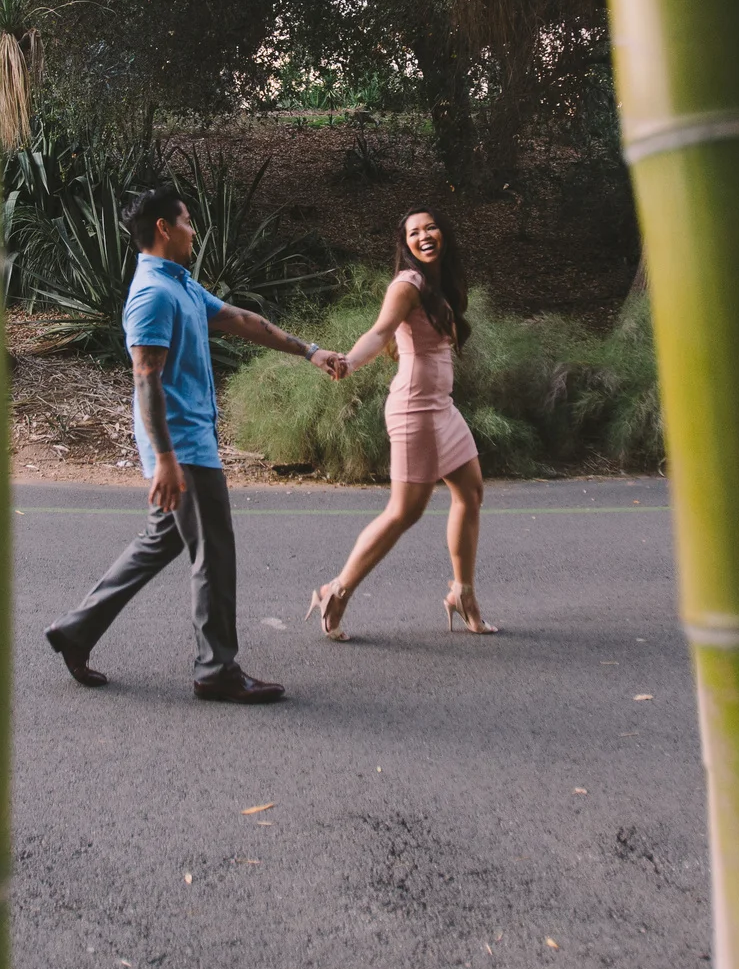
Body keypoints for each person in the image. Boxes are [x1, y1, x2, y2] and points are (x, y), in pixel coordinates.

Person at [45, 185, 349, 702]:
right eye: (186, 221)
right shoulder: (151, 294)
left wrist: (309, 351)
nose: (194, 230)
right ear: (163, 228)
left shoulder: (179, 284)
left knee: (160, 541)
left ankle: (77, 630)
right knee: (214, 550)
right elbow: (146, 380)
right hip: (182, 445)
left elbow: (240, 319)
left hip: (186, 442)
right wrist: (165, 459)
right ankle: (216, 669)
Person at [306, 209, 497, 640]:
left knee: (470, 491)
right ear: (405, 244)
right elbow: (380, 333)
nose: (424, 236)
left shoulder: (438, 283)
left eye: (430, 228)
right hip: (415, 409)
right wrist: (350, 363)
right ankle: (336, 591)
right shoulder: (407, 285)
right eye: (414, 233)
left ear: (443, 233)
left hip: (441, 407)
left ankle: (462, 593)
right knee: (404, 511)